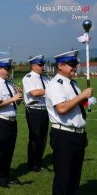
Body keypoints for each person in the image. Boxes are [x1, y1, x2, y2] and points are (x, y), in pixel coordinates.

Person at [46, 50, 93, 195]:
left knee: (74, 178)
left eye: (75, 64)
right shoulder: (55, 84)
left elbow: (76, 110)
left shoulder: (73, 83)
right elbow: (61, 108)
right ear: (61, 65)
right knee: (63, 178)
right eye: (71, 64)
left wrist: (82, 133)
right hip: (63, 135)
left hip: (76, 134)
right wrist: (82, 96)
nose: (75, 67)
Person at [0, 58, 23, 188]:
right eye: (7, 69)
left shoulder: (9, 84)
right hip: (1, 121)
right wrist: (12, 98)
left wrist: (18, 96)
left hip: (12, 121)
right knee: (2, 150)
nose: (9, 71)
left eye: (9, 69)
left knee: (10, 150)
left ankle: (6, 175)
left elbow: (16, 103)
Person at [22, 55, 49, 172]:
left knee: (43, 138)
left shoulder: (46, 79)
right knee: (35, 137)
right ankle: (32, 164)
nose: (43, 67)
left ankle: (38, 162)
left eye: (43, 64)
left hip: (45, 110)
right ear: (33, 66)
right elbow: (34, 93)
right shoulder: (28, 77)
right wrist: (51, 90)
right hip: (34, 110)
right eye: (40, 65)